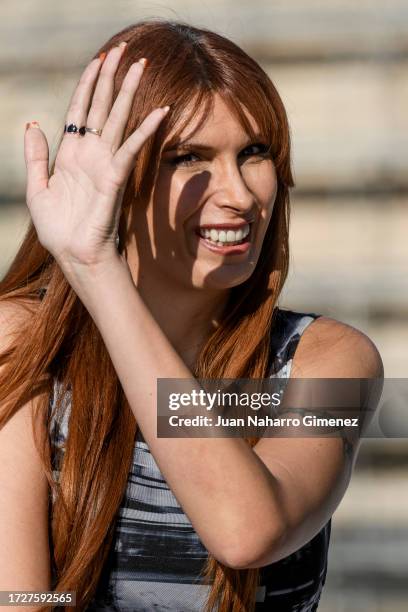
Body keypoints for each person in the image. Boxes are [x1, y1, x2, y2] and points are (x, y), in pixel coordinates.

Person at [0, 19, 383, 612]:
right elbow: (17, 598)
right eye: (188, 157)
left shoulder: (328, 358)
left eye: (254, 153)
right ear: (115, 174)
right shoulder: (22, 342)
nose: (237, 193)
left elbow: (245, 529)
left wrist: (98, 273)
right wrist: (88, 263)